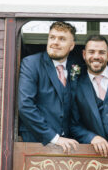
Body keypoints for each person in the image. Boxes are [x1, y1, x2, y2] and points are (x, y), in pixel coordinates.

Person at [18, 21, 81, 153]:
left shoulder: (76, 65)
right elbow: (25, 105)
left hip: (69, 144)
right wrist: (54, 137)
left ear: (72, 46)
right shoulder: (31, 63)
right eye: (52, 37)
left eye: (62, 39)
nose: (55, 42)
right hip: (35, 142)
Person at [70, 35, 108, 156]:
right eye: (91, 52)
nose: (96, 56)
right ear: (84, 54)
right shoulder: (76, 84)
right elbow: (73, 124)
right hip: (94, 155)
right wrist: (91, 137)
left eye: (101, 52)